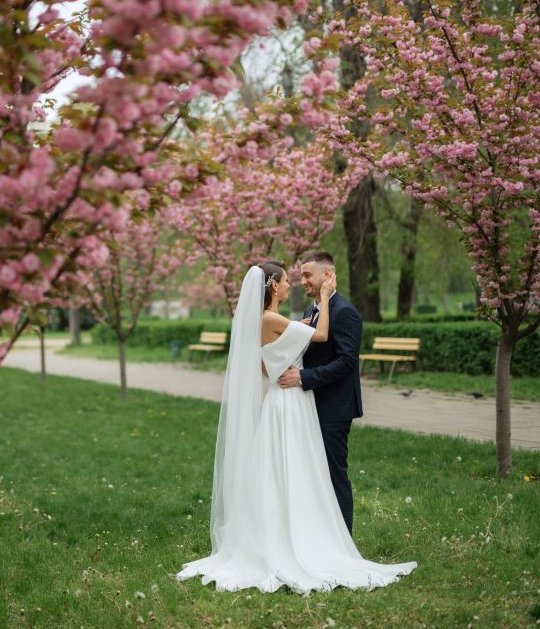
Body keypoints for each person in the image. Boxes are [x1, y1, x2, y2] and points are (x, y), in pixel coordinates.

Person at [177, 261, 416, 593]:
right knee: (297, 468)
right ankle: (309, 541)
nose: (293, 284)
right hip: (291, 402)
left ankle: (298, 533)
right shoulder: (276, 318)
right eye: (289, 280)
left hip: (282, 397)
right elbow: (319, 336)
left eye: (302, 277)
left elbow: (266, 364)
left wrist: (292, 338)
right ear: (274, 285)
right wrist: (324, 301)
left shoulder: (267, 321)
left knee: (283, 470)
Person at [278, 251, 361, 533]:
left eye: (307, 275)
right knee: (314, 476)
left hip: (334, 408)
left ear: (327, 275)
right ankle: (322, 537)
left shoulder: (345, 312)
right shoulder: (310, 311)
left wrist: (304, 377)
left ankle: (344, 543)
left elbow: (347, 362)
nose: (302, 281)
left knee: (334, 475)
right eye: (301, 276)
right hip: (310, 405)